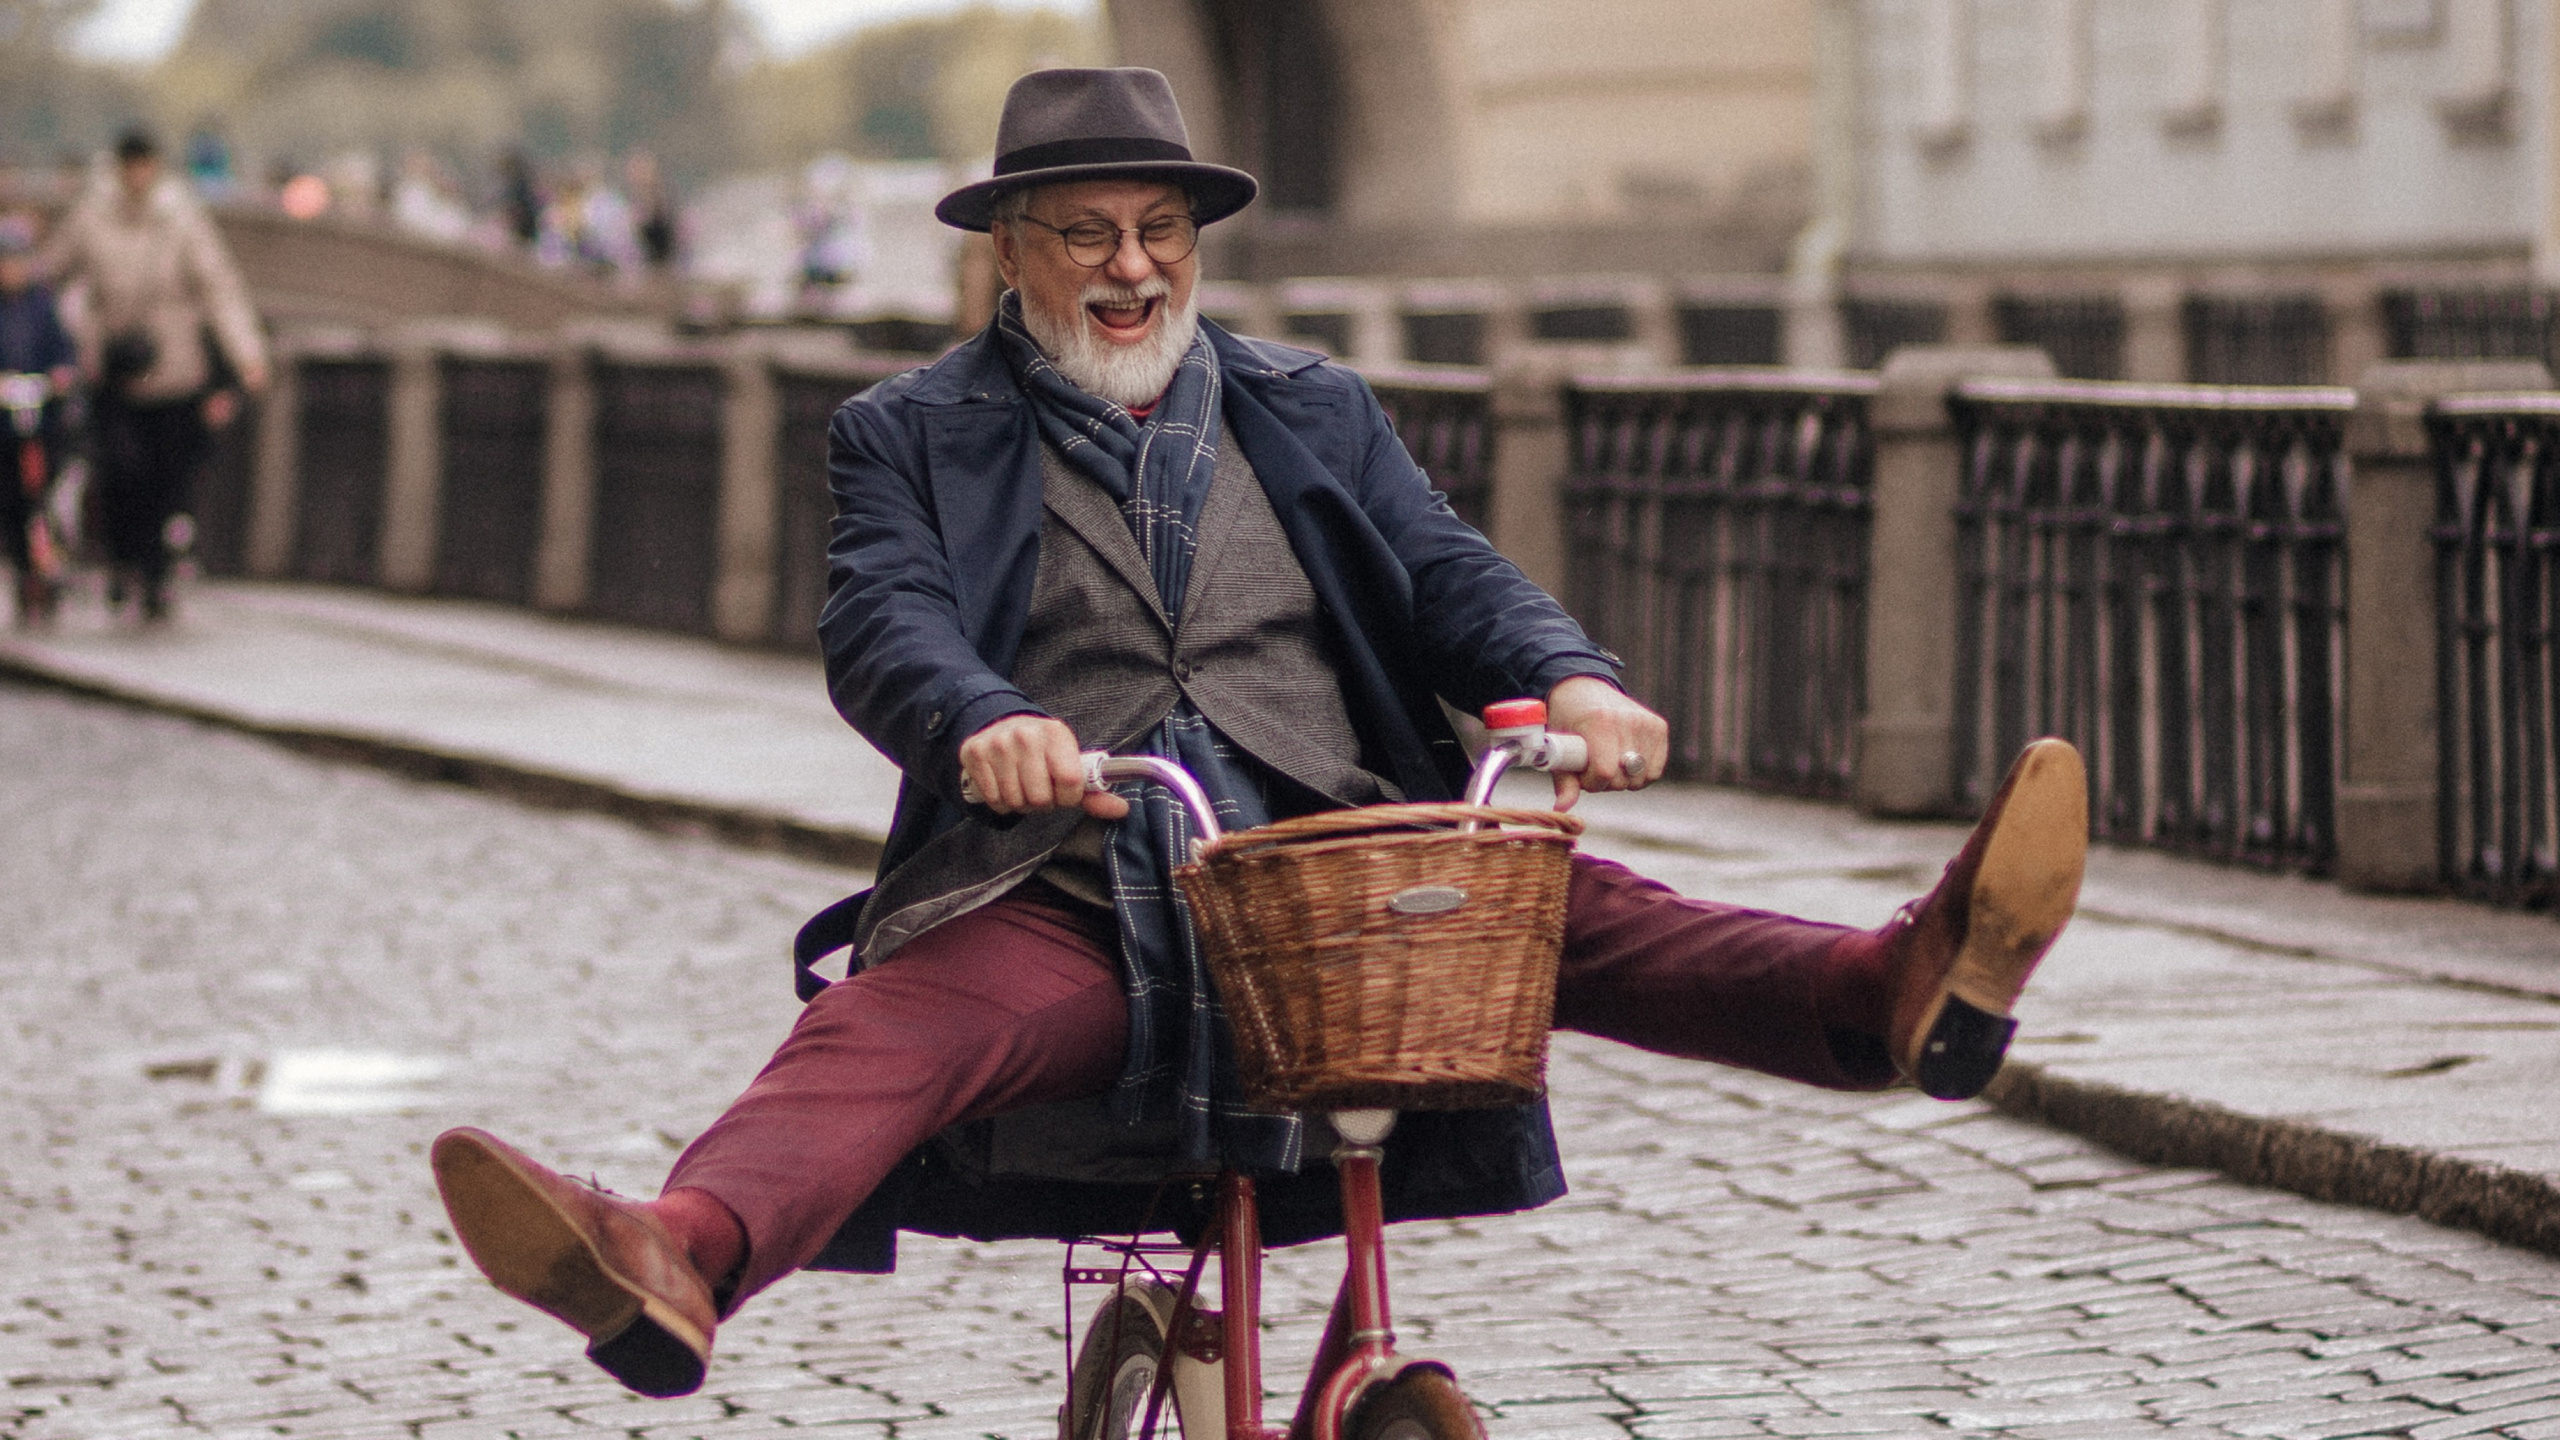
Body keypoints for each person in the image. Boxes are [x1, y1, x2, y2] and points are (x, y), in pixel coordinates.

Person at [428, 68, 2091, 1401]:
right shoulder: (911, 433)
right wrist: (983, 719)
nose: (1133, 266)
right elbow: (885, 622)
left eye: (1161, 231)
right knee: (887, 1034)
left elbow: (1448, 577)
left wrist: (1569, 679)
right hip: (1075, 877)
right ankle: (671, 1258)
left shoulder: (1308, 403)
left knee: (1578, 907)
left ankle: (1894, 992)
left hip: (1336, 860)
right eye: (1088, 233)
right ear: (1010, 247)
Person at [38, 128, 267, 621]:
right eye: (130, 165)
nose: (138, 174)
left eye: (145, 165)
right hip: (113, 375)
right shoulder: (91, 216)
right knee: (120, 474)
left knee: (169, 478)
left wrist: (247, 353)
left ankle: (156, 573)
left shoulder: (183, 219)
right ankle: (124, 562)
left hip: (175, 371)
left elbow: (218, 289)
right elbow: (48, 274)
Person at [0, 218, 78, 625]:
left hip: (42, 420)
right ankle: (24, 573)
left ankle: (52, 563)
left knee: (46, 492)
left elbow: (63, 350)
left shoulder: (42, 305)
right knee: (14, 502)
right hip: (5, 426)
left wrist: (62, 373)